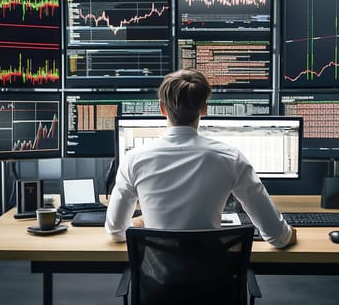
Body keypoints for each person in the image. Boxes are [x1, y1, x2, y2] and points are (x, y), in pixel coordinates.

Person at [105, 69, 296, 248]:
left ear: (162, 109)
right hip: (214, 281)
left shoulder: (133, 159)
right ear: (204, 109)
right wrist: (289, 234)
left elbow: (116, 232)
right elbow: (277, 238)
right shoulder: (231, 158)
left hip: (157, 280)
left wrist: (145, 221)